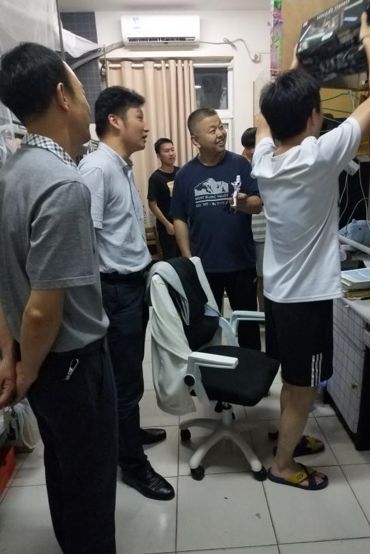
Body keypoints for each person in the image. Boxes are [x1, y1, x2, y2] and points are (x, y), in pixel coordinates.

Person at [252, 13, 370, 490]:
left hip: (278, 295)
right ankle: (283, 465)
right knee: (306, 387)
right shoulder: (319, 155)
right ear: (314, 117)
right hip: (306, 301)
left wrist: (297, 63)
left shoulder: (264, 159)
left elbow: (265, 117)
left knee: (294, 380)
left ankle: (287, 440)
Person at [0, 43, 118, 553]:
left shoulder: (11, 173)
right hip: (71, 364)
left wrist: (11, 357)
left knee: (65, 470)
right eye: (79, 87)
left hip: (41, 362)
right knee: (91, 487)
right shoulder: (63, 185)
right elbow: (42, 308)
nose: (87, 99)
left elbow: (5, 279)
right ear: (62, 96)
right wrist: (25, 373)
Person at [79, 86, 174, 501]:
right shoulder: (97, 169)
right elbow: (84, 241)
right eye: (139, 117)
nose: (146, 126)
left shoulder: (120, 166)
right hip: (114, 290)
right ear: (115, 121)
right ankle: (132, 466)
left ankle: (128, 434)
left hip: (132, 285)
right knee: (123, 382)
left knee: (129, 373)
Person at [171, 108, 262, 350]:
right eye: (212, 130)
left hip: (241, 264)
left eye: (221, 127)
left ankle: (251, 369)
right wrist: (189, 260)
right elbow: (179, 218)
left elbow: (258, 205)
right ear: (196, 140)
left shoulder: (240, 164)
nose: (220, 133)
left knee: (248, 327)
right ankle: (211, 369)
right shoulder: (185, 175)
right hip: (204, 267)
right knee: (207, 328)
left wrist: (244, 203)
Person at [241, 127, 266, 311]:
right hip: (248, 232)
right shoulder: (243, 167)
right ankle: (260, 316)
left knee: (266, 278)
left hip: (267, 231)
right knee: (255, 278)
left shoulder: (270, 164)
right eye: (247, 147)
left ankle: (266, 315)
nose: (251, 151)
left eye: (253, 146)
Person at [147, 138, 180, 259]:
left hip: (182, 223)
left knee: (187, 259)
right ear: (158, 155)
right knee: (172, 259)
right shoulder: (155, 178)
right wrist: (167, 224)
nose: (171, 153)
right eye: (166, 151)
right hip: (167, 227)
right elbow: (152, 204)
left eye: (172, 150)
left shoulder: (181, 172)